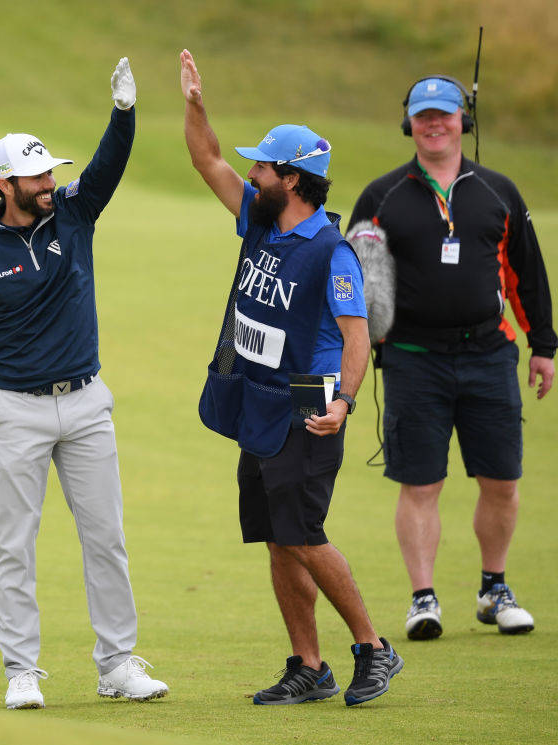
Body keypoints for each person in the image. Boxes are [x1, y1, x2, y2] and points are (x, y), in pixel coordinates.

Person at [0, 58, 168, 709]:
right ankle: (21, 669)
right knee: (14, 545)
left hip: (87, 403)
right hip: (17, 411)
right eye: (37, 176)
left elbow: (108, 165)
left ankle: (117, 664)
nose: (50, 183)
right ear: (5, 184)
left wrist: (124, 114)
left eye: (51, 172)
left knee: (106, 538)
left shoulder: (74, 214)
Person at [180, 49, 402, 707]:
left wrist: (345, 403)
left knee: (303, 533)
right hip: (257, 397)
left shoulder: (332, 253)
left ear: (293, 179)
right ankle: (309, 665)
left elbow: (357, 337)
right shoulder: (260, 217)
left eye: (263, 167)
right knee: (277, 539)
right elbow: (206, 160)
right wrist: (196, 106)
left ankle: (374, 647)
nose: (251, 173)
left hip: (309, 401)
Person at [348, 75, 558, 641]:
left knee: (502, 481)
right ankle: (423, 599)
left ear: (463, 120)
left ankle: (494, 589)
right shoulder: (381, 196)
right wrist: (359, 344)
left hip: (489, 353)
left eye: (444, 114)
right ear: (409, 123)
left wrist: (543, 345)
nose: (434, 125)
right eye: (423, 116)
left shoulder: (498, 192)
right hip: (413, 359)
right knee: (421, 485)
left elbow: (527, 272)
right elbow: (355, 280)